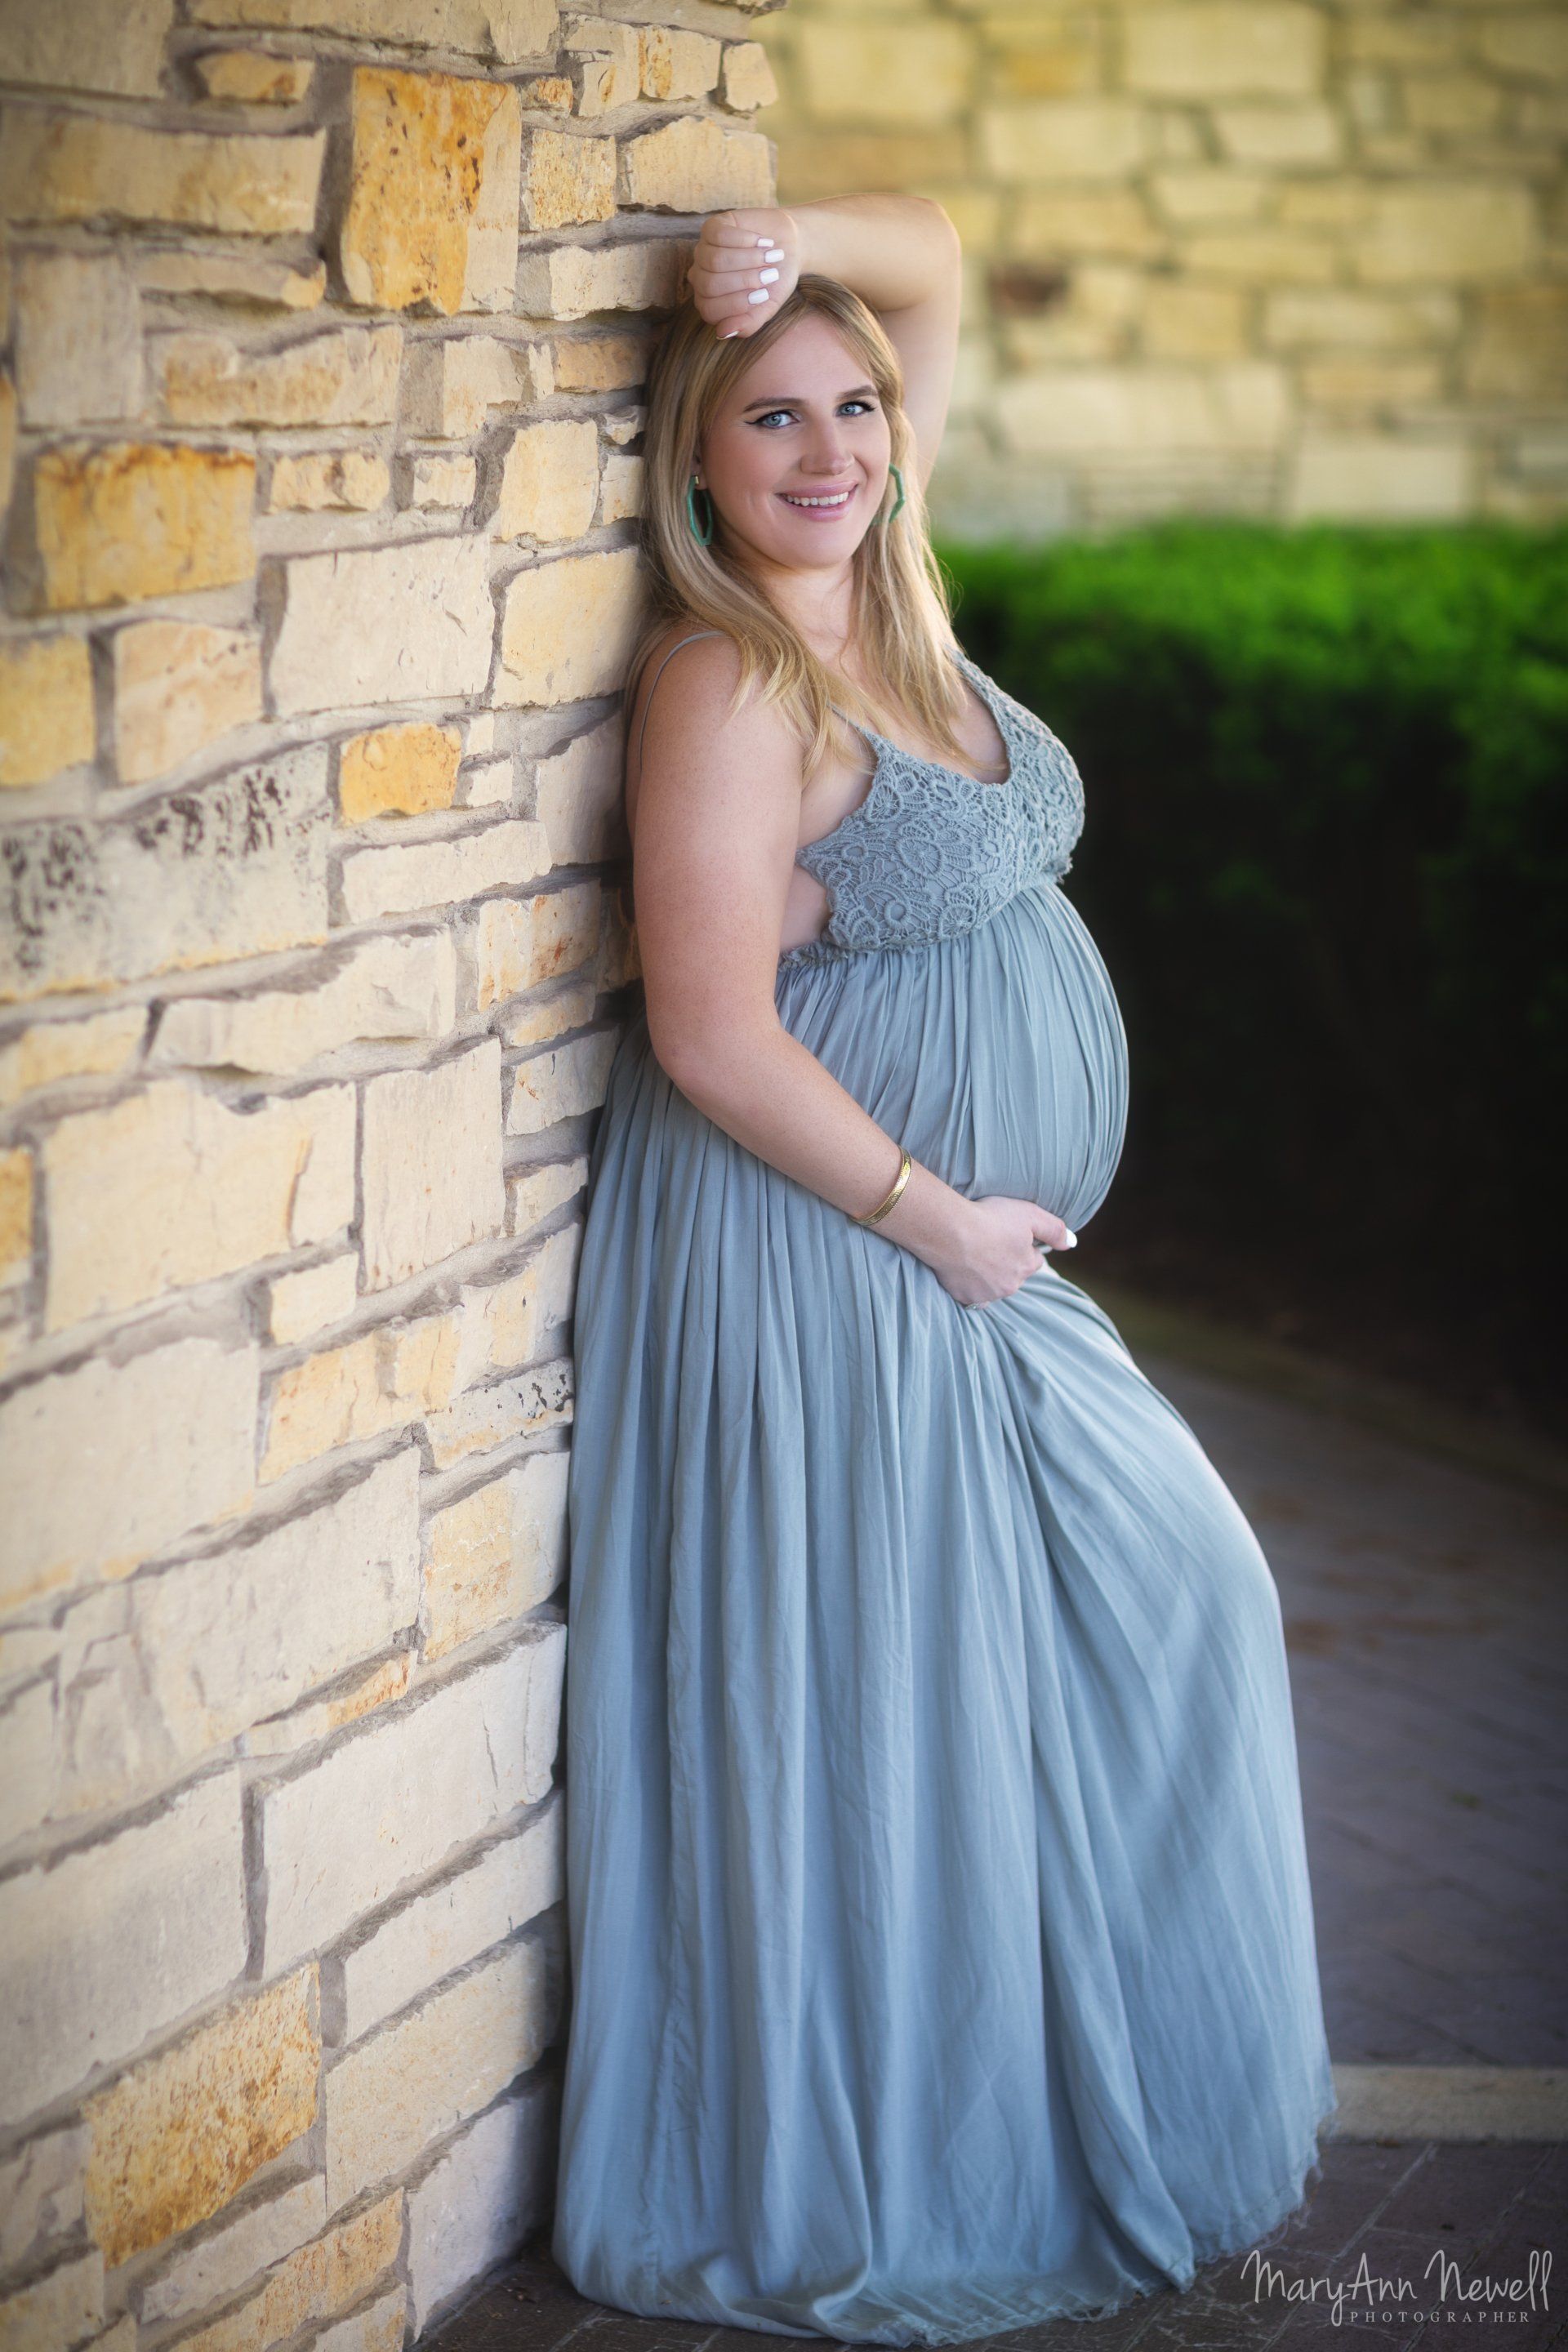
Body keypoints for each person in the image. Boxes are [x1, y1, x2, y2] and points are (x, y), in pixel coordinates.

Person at [551, 193, 1337, 2345]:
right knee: (907, 1693)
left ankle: (1093, 2085)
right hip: (831, 1251)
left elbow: (945, 266)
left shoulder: (893, 594)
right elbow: (707, 1031)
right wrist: (940, 1217)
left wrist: (787, 240)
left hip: (938, 1255)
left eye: (855, 406)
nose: (826, 450)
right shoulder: (731, 672)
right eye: (770, 417)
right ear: (694, 459)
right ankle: (922, 2145)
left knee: (1151, 1607)